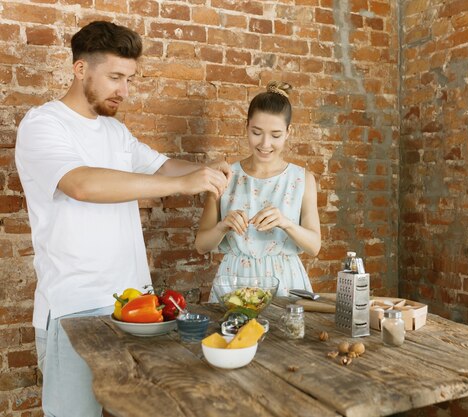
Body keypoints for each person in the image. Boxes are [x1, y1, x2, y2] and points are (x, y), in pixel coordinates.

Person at [15, 21, 231, 417]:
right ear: (81, 70)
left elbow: (163, 167)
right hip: (75, 308)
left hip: (135, 305)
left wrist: (211, 173)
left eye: (129, 79)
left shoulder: (116, 132)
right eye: (115, 77)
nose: (125, 91)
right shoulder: (42, 124)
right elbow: (81, 184)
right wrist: (184, 185)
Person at [194, 81, 321, 297]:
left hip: (285, 283)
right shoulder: (225, 176)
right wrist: (223, 226)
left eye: (276, 135)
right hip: (234, 283)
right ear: (246, 127)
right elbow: (201, 246)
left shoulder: (302, 179)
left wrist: (285, 223)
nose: (265, 143)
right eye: (256, 132)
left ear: (289, 132)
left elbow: (314, 246)